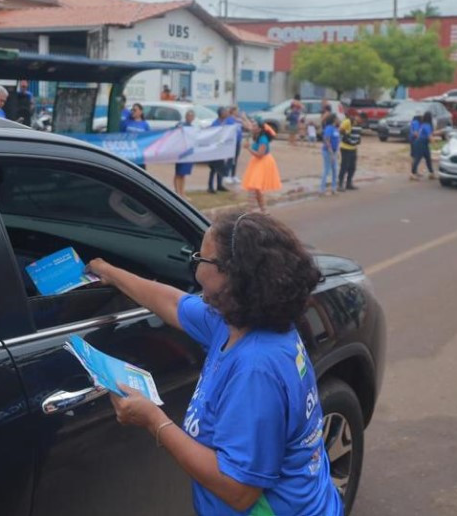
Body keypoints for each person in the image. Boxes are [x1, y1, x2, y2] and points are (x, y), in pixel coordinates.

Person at [89, 211, 343, 516]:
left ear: (232, 275)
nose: (195, 265)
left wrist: (154, 420)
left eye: (202, 258)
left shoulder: (256, 368)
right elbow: (172, 303)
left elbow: (239, 491)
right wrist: (108, 272)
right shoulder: (238, 318)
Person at [240, 117, 282, 212]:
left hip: (263, 162)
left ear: (259, 128)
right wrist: (243, 118)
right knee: (256, 189)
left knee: (253, 187)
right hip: (257, 162)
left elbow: (260, 155)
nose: (252, 127)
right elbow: (249, 126)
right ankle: (263, 211)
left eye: (255, 125)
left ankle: (249, 211)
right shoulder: (257, 133)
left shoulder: (263, 139)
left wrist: (248, 148)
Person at [209, 107, 235, 193]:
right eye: (225, 112)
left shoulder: (227, 122)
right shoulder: (215, 123)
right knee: (213, 168)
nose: (227, 113)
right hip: (215, 148)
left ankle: (219, 185)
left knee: (221, 167)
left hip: (222, 149)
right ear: (221, 114)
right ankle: (210, 187)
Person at [173, 110, 196, 198]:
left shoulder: (193, 127)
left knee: (183, 174)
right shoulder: (181, 125)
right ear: (186, 116)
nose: (190, 118)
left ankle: (182, 192)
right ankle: (177, 192)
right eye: (189, 116)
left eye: (192, 116)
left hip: (188, 154)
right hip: (180, 153)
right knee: (178, 173)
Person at [338, 117, 361, 191]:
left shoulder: (359, 125)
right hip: (345, 147)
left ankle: (349, 183)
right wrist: (346, 135)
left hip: (353, 148)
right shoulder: (348, 122)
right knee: (344, 166)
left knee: (352, 167)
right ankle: (340, 184)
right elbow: (340, 129)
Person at [410, 112, 435, 180]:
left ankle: (431, 173)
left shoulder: (423, 124)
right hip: (421, 143)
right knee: (417, 159)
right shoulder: (427, 125)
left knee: (428, 158)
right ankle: (413, 173)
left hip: (421, 143)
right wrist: (434, 142)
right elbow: (429, 136)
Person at [320, 115, 339, 196]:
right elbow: (327, 140)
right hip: (328, 151)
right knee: (326, 170)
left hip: (334, 151)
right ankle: (322, 189)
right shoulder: (329, 128)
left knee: (335, 169)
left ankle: (334, 188)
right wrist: (331, 152)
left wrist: (337, 152)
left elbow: (337, 140)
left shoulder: (335, 129)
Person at [226, 106, 244, 184]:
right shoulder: (229, 119)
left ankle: (233, 175)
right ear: (232, 111)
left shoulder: (238, 120)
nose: (238, 112)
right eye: (237, 111)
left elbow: (246, 125)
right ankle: (227, 175)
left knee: (235, 159)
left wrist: (244, 118)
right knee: (230, 159)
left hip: (238, 141)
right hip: (232, 142)